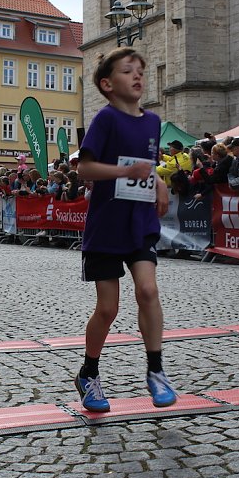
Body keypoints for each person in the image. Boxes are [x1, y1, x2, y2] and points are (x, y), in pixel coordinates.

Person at [74, 47, 176, 413]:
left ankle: (156, 370)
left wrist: (160, 184)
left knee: (148, 290)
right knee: (108, 309)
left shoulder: (152, 122)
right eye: (127, 71)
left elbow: (149, 164)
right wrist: (122, 172)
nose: (137, 76)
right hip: (105, 226)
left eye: (141, 71)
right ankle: (89, 372)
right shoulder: (105, 120)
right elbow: (84, 169)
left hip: (139, 223)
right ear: (107, 84)